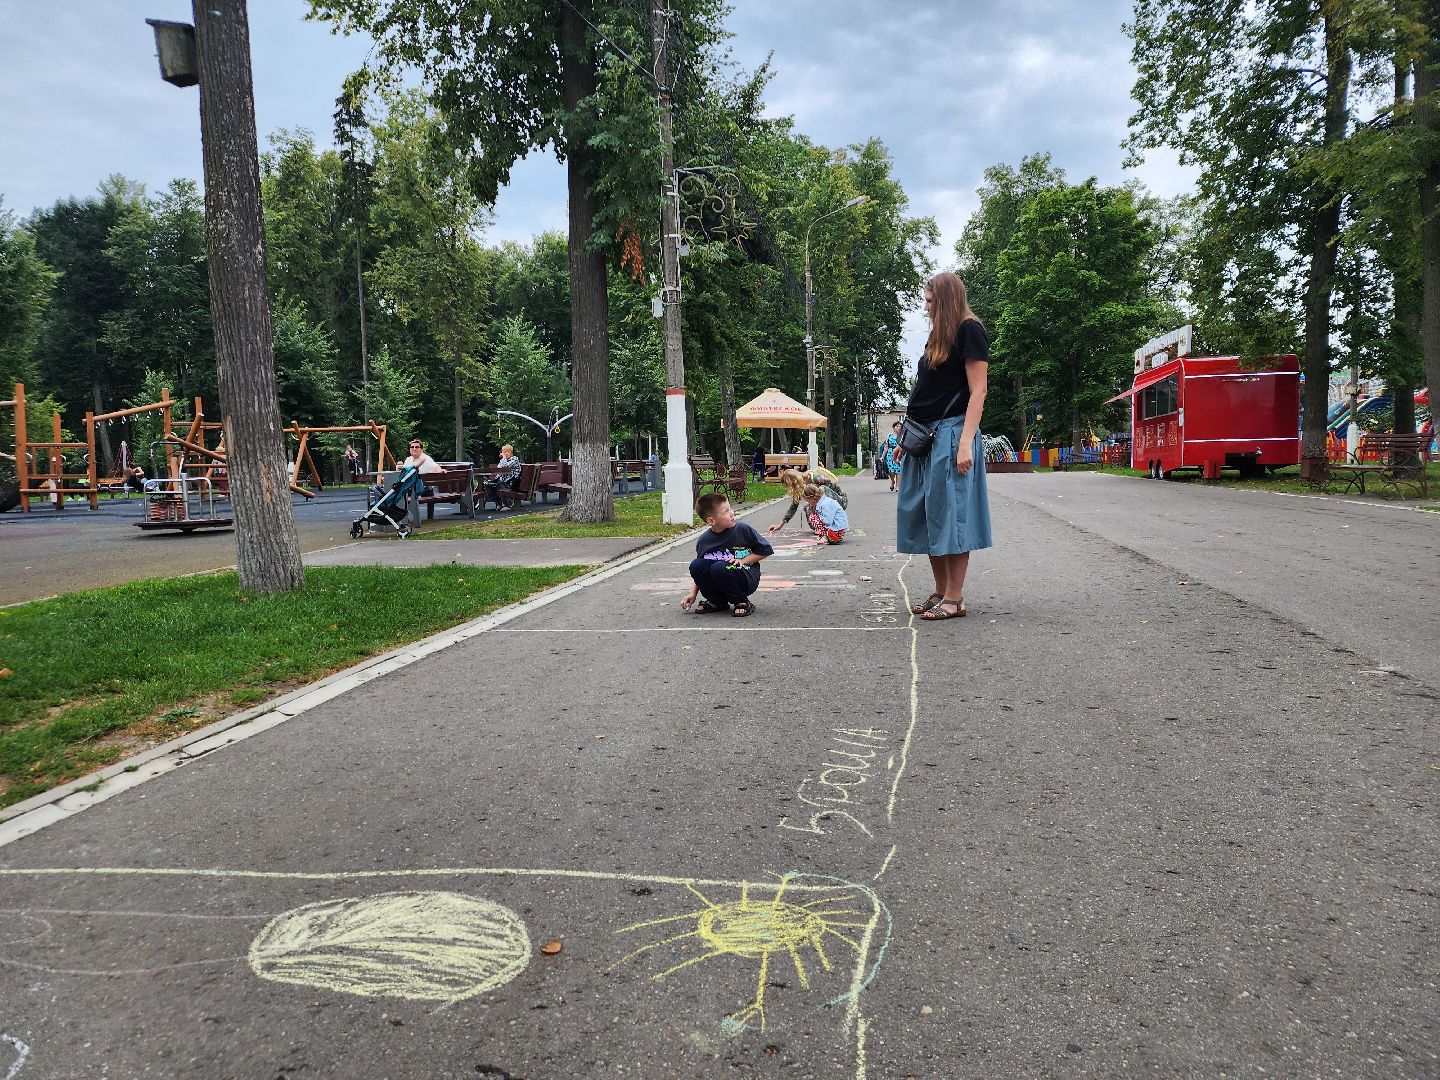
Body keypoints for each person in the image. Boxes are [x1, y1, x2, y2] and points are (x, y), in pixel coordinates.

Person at [895, 270, 991, 622]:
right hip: (924, 437)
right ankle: (940, 591)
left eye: (931, 300)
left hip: (951, 435)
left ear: (947, 300)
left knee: (953, 514)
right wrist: (905, 438)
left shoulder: (970, 330)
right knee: (925, 513)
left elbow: (978, 391)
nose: (926, 306)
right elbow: (926, 392)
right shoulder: (939, 334)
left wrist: (966, 442)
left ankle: (955, 597)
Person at [681, 492, 773, 618]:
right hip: (721, 575)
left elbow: (765, 550)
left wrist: (744, 560)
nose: (732, 513)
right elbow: (700, 573)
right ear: (711, 520)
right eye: (726, 511)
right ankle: (717, 602)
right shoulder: (704, 540)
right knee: (697, 565)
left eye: (730, 508)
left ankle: (741, 601)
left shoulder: (742, 529)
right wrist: (693, 594)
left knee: (719, 567)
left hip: (745, 576)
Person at [767, 468, 847, 534]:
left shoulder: (814, 477)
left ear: (794, 481)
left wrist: (817, 497)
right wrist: (780, 525)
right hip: (825, 503)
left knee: (821, 490)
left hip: (839, 500)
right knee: (808, 506)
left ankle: (827, 526)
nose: (792, 488)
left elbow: (831, 486)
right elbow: (793, 506)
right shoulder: (800, 487)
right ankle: (819, 527)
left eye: (791, 485)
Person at [485, 444, 524, 511]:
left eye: (507, 452)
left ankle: (507, 505)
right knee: (490, 485)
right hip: (502, 480)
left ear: (511, 452)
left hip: (512, 482)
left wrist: (503, 457)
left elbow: (505, 467)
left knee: (502, 484)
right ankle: (498, 503)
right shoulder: (503, 460)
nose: (505, 453)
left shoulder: (515, 460)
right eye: (504, 452)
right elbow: (499, 468)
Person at [883, 421, 902, 491]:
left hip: (899, 454)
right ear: (893, 428)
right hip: (890, 454)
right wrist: (882, 457)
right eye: (897, 426)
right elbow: (886, 447)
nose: (899, 427)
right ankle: (892, 481)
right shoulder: (889, 436)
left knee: (898, 471)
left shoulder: (902, 436)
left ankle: (897, 486)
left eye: (900, 426)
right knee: (891, 471)